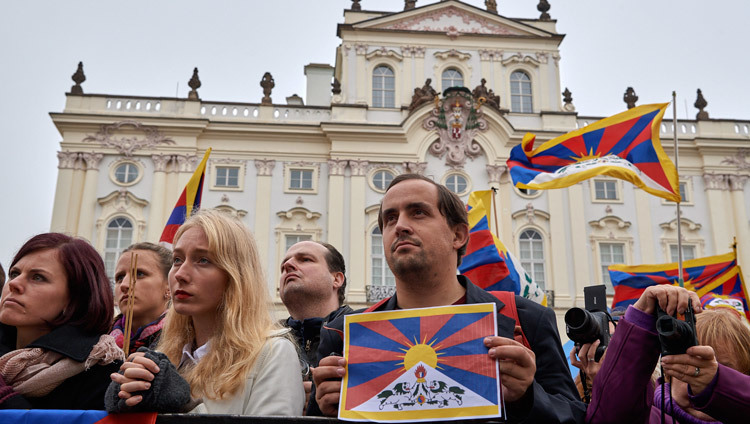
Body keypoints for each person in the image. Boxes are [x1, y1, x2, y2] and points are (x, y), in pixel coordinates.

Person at [311, 174, 586, 422]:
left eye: (418, 212)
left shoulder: (525, 318)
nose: (400, 226)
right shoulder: (343, 334)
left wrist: (527, 396)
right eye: (390, 218)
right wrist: (323, 410)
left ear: (458, 235)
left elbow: (573, 414)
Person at [107, 209, 304, 415]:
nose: (180, 274)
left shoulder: (272, 354)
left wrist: (184, 406)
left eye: (203, 260)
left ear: (236, 275)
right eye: (177, 260)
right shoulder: (163, 356)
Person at [586, 285, 750, 423]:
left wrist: (718, 385)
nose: (702, 374)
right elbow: (614, 414)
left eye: (722, 370)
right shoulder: (646, 415)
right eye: (691, 362)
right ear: (668, 372)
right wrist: (641, 320)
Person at [0, 233, 123, 409]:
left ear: (75, 299)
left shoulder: (104, 373)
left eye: (37, 277)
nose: (14, 283)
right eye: (14, 273)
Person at [279, 241, 353, 407]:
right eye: (283, 267)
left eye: (305, 259)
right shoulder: (259, 342)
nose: (288, 265)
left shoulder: (365, 333)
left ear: (337, 279)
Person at [110, 242, 171, 351]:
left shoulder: (187, 345)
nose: (124, 284)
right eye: (120, 277)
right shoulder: (96, 345)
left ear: (170, 286)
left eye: (139, 274)